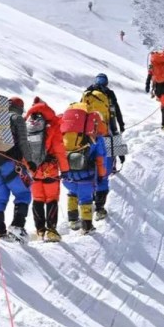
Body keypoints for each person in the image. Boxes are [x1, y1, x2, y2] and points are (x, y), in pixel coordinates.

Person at [0, 94, 35, 243]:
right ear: (20, 109)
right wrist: (30, 161)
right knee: (23, 193)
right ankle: (17, 226)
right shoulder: (17, 119)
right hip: (11, 164)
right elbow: (23, 143)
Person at [25, 97, 70, 242]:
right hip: (50, 170)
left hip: (33, 171)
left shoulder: (27, 124)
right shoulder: (54, 125)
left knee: (37, 199)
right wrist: (65, 170)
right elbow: (59, 150)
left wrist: (26, 167)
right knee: (51, 199)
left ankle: (40, 231)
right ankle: (51, 230)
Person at [60, 103, 107, 235]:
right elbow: (100, 158)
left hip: (67, 173)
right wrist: (102, 175)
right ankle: (87, 226)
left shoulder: (67, 134)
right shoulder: (95, 137)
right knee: (85, 198)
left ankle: (73, 220)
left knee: (72, 192)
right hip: (86, 174)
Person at [83, 73, 125, 220]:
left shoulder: (87, 93)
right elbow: (114, 117)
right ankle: (100, 208)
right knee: (104, 171)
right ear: (106, 83)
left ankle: (87, 204)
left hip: (88, 137)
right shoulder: (109, 95)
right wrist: (121, 154)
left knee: (89, 170)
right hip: (105, 134)